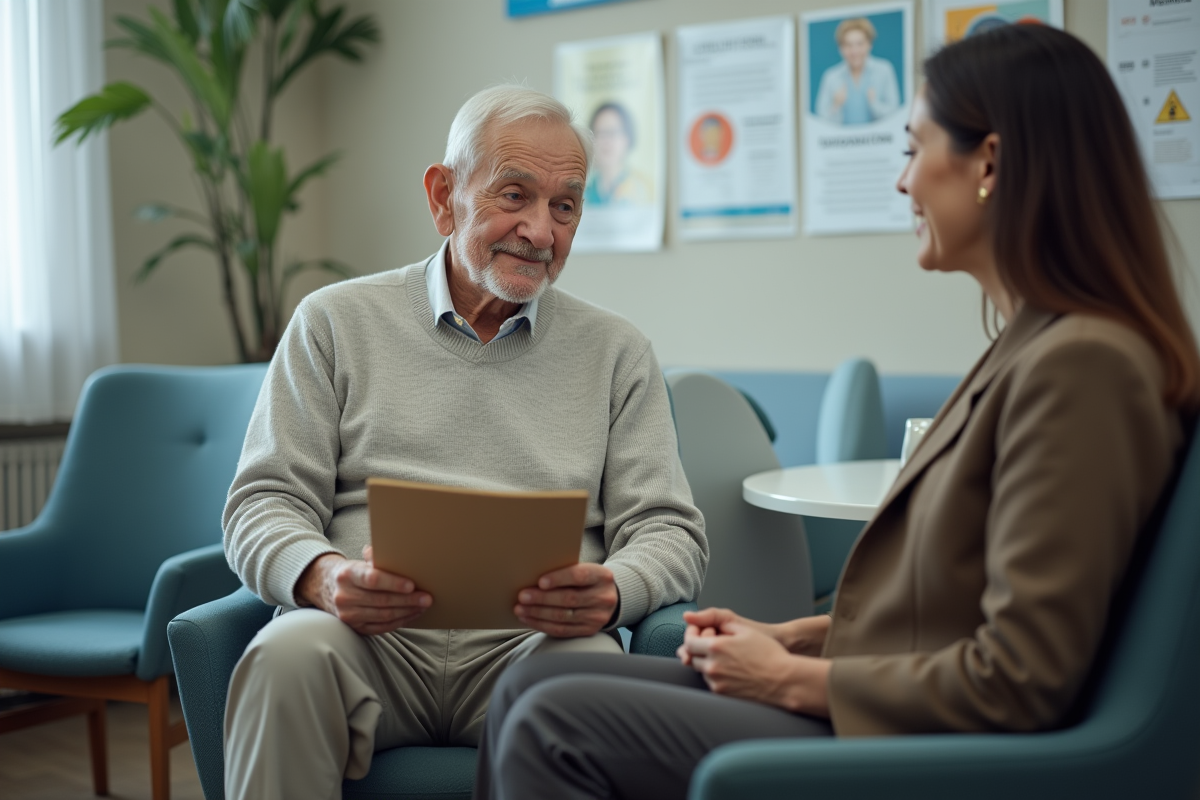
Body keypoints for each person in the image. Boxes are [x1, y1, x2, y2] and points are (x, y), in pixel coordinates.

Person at [475, 25, 1200, 800]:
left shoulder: (1083, 366)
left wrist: (788, 678)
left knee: (553, 720)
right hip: (894, 706)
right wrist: (798, 637)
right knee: (524, 696)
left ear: (988, 162)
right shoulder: (1035, 345)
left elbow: (1021, 678)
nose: (902, 182)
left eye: (912, 149)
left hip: (938, 749)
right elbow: (949, 608)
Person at [220, 85, 707, 800]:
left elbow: (671, 532)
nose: (541, 231)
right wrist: (321, 577)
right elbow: (261, 502)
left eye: (565, 206)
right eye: (515, 195)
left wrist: (614, 589)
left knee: (584, 683)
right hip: (362, 643)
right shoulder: (332, 322)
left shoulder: (618, 352)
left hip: (537, 649)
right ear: (443, 197)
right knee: (284, 657)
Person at [814, 17, 900, 125]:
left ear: (869, 44)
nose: (854, 51)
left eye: (860, 44)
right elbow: (820, 121)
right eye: (848, 45)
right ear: (840, 48)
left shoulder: (884, 70)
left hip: (879, 139)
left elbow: (894, 114)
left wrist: (875, 104)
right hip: (842, 141)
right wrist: (835, 105)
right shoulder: (831, 76)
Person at [584, 102, 652, 206]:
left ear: (627, 138)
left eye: (612, 132)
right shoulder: (584, 189)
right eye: (600, 133)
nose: (606, 140)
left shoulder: (641, 189)